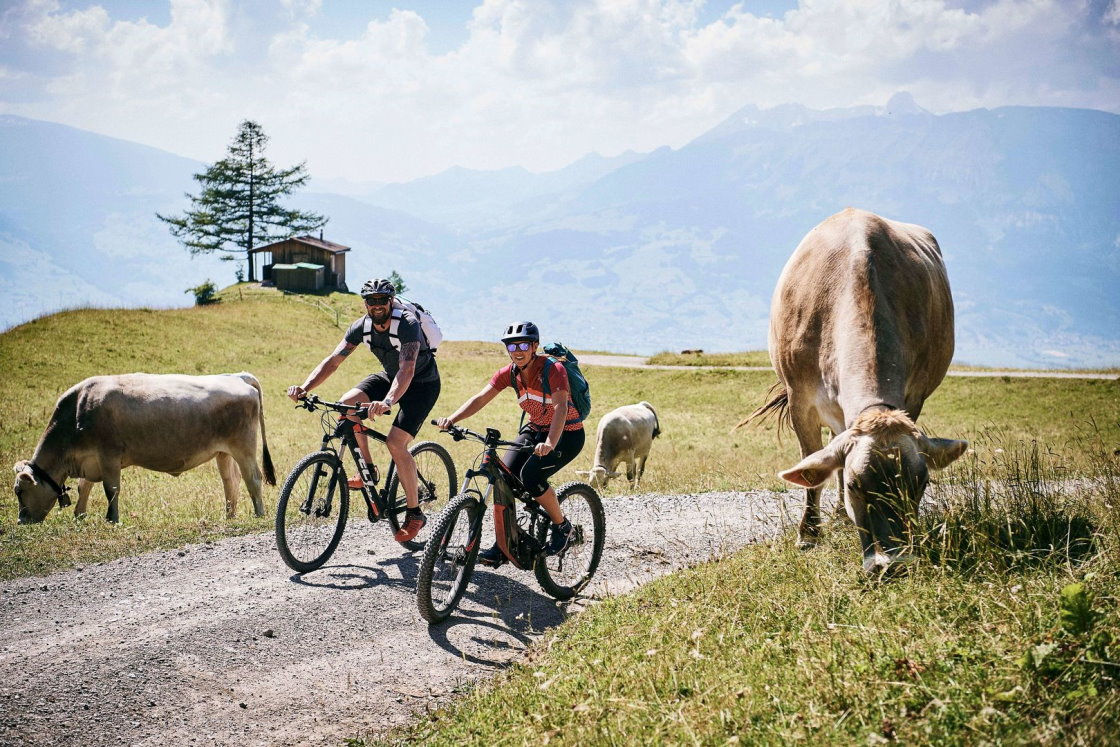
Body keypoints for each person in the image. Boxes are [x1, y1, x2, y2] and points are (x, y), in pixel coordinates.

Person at [287, 277, 440, 543]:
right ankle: (368, 468)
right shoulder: (362, 326)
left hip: (421, 385)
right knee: (347, 403)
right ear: (365, 303)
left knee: (396, 443)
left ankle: (415, 513)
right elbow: (333, 361)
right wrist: (305, 387)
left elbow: (407, 369)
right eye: (372, 300)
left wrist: (388, 402)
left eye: (382, 300)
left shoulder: (407, 323)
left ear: (391, 301)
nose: (377, 305)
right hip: (389, 376)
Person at [435, 321, 584, 566]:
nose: (518, 350)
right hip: (536, 428)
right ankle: (504, 543)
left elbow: (560, 408)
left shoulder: (552, 369)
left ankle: (563, 527)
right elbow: (481, 398)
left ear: (534, 346)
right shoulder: (510, 373)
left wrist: (550, 442)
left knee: (531, 477)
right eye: (512, 345)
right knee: (504, 477)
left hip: (567, 433)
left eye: (524, 344)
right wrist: (452, 419)